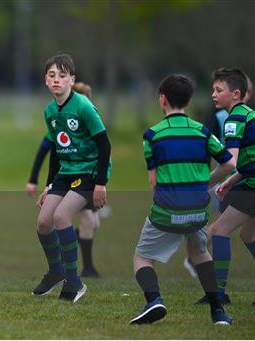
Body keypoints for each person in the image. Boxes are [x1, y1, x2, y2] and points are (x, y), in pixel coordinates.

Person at [129, 74, 234, 325]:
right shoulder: (203, 132)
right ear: (187, 101)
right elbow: (229, 163)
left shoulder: (152, 136)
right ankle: (218, 311)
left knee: (142, 258)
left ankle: (154, 300)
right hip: (198, 210)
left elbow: (153, 181)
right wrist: (206, 182)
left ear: (162, 99)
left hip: (167, 209)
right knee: (200, 252)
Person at [32, 54, 111, 302]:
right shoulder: (50, 111)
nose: (57, 80)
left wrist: (100, 184)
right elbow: (56, 150)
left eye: (62, 75)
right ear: (46, 80)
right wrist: (49, 185)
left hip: (89, 172)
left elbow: (105, 145)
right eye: (52, 75)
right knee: (44, 222)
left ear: (72, 80)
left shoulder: (84, 106)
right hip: (65, 173)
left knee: (61, 217)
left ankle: (74, 282)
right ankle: (56, 272)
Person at [26, 82, 102, 278]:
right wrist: (37, 181)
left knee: (92, 223)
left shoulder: (87, 120)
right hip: (66, 180)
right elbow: (45, 153)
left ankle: (73, 259)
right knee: (79, 220)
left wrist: (101, 180)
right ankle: (85, 269)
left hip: (84, 178)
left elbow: (103, 149)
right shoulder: (56, 122)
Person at [197, 68, 255, 306]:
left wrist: (205, 183)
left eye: (219, 90)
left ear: (236, 94)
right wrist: (230, 182)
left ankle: (219, 293)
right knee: (248, 233)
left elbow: (230, 160)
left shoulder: (235, 119)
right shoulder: (248, 113)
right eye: (213, 89)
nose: (213, 94)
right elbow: (248, 160)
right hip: (249, 181)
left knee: (220, 230)